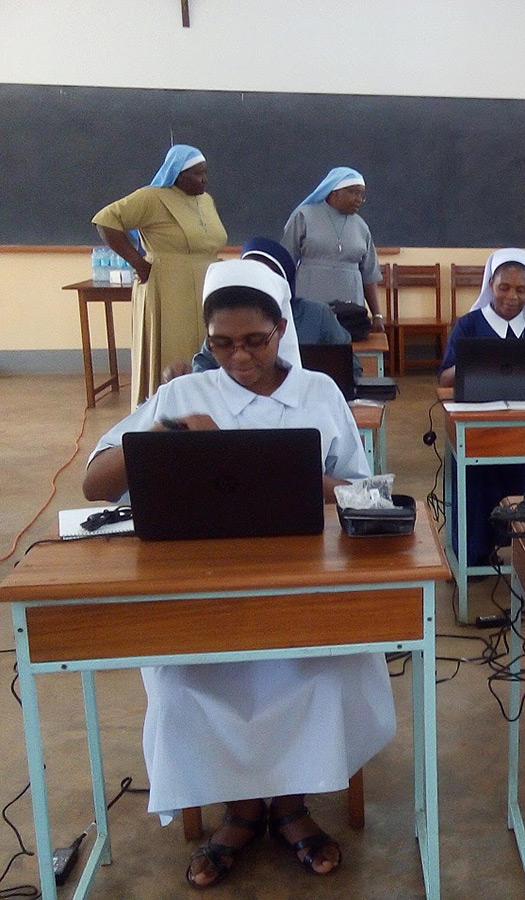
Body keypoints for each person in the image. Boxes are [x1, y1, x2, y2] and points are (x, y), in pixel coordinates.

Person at [82, 260, 395, 888]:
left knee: (320, 674)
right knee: (182, 688)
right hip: (201, 586)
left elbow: (363, 491)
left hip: (304, 580)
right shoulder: (183, 395)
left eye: (255, 340)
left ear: (281, 330)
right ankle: (242, 812)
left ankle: (289, 808)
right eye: (221, 344)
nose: (239, 356)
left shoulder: (318, 394)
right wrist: (169, 433)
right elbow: (95, 485)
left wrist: (290, 474)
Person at [438, 248, 525, 567]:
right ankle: (475, 554)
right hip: (481, 426)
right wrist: (473, 360)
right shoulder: (469, 325)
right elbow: (445, 377)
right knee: (477, 483)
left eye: (521, 289)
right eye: (504, 287)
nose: (512, 296)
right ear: (490, 285)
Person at [93, 145, 227, 408]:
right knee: (175, 352)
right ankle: (166, 413)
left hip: (207, 285)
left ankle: (208, 411)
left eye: (205, 173)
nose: (205, 180)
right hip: (168, 287)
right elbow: (106, 221)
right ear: (178, 175)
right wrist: (136, 261)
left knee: (208, 350)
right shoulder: (152, 197)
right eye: (198, 174)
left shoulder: (206, 201)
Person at [176, 237, 359, 379]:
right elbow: (203, 365)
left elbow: (351, 367)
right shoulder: (230, 320)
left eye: (255, 341)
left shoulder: (317, 315)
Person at [282, 167, 385, 330]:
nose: (359, 199)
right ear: (334, 192)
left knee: (346, 352)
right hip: (310, 306)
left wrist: (377, 315)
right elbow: (285, 263)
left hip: (351, 312)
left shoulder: (361, 226)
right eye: (353, 192)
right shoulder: (303, 216)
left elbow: (369, 275)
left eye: (361, 194)